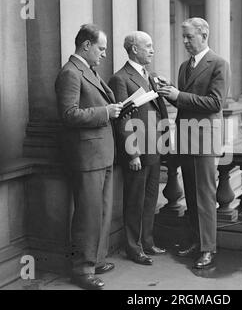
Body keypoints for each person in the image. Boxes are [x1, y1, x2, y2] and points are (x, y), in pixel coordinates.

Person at [158, 18, 231, 269]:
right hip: (187, 138)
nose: (186, 42)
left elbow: (215, 103)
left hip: (204, 140)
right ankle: (195, 241)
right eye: (184, 37)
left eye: (189, 37)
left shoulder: (219, 64)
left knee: (204, 197)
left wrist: (179, 95)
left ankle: (208, 249)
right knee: (191, 194)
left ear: (204, 34)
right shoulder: (183, 67)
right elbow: (185, 103)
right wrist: (169, 92)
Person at [55, 24, 123, 290]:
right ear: (86, 46)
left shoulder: (87, 70)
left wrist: (115, 109)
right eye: (101, 48)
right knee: (88, 214)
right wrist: (106, 112)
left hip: (100, 153)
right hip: (86, 156)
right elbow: (69, 114)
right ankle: (82, 270)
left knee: (101, 212)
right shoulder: (70, 73)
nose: (104, 54)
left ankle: (95, 260)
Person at [108, 31, 168, 266]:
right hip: (138, 152)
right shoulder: (120, 78)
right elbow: (122, 120)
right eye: (148, 46)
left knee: (151, 198)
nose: (153, 50)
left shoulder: (150, 76)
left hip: (155, 149)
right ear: (134, 49)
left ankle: (148, 241)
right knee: (134, 200)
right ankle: (134, 248)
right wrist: (131, 153)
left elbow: (157, 110)